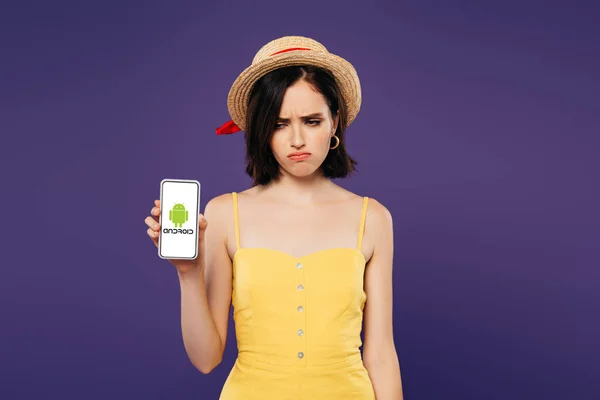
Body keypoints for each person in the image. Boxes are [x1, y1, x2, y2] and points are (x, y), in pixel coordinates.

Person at [144, 36, 403, 399]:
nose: (297, 139)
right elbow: (206, 359)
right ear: (262, 130)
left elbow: (380, 353)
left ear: (334, 124)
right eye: (280, 124)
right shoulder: (223, 213)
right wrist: (188, 274)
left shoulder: (372, 218)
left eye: (312, 121)